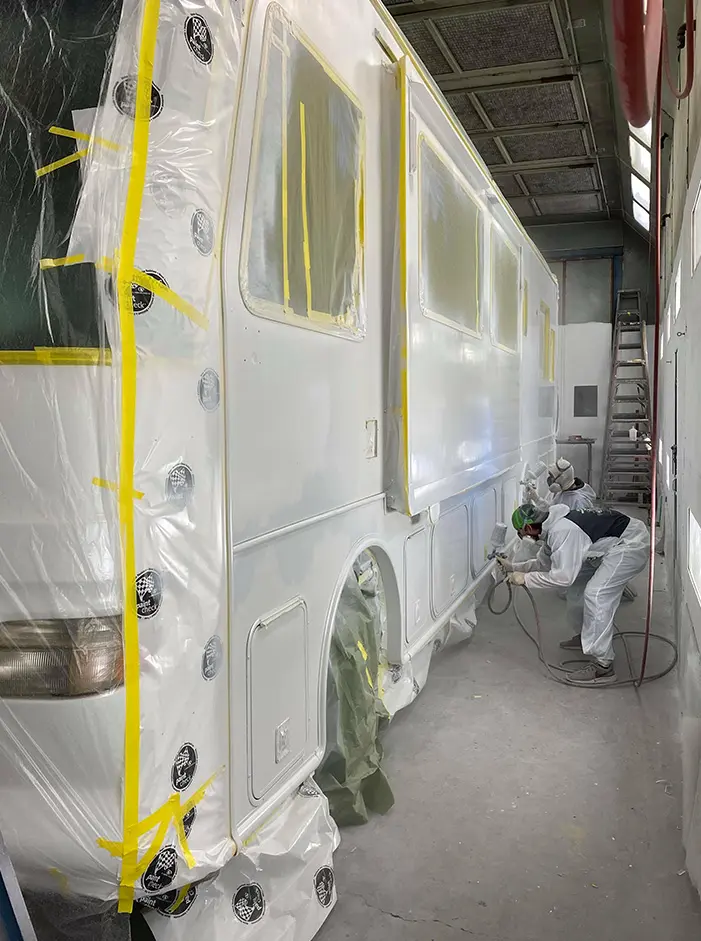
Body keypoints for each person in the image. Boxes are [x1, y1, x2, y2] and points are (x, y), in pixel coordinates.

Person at [500, 503, 650, 686]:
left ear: (529, 528)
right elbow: (544, 564)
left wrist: (526, 579)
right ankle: (586, 635)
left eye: (520, 532)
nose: (521, 536)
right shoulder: (551, 529)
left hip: (630, 543)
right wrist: (514, 568)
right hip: (609, 546)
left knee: (596, 594)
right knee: (578, 586)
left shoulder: (562, 531)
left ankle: (603, 666)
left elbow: (563, 578)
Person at [525, 458, 596, 512]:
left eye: (552, 476)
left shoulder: (579, 501)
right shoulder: (563, 492)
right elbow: (552, 511)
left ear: (563, 477)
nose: (550, 479)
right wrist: (536, 498)